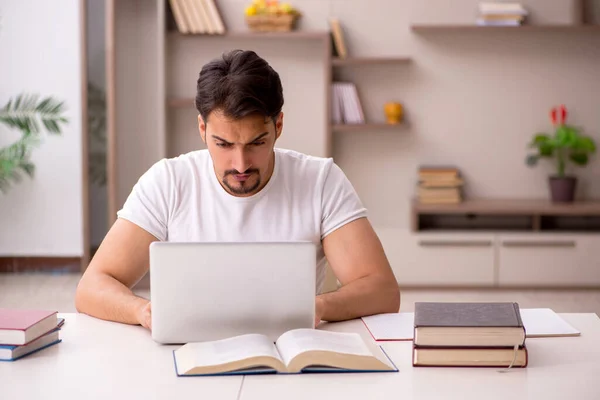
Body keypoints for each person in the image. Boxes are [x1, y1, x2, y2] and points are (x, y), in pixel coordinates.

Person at [75, 49, 400, 330]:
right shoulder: (168, 181)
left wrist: (316, 307)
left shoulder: (320, 180)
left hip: (289, 352)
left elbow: (382, 289)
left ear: (279, 127)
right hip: (185, 351)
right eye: (224, 144)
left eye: (257, 143)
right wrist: (143, 312)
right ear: (202, 128)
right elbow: (92, 286)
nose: (241, 164)